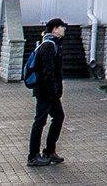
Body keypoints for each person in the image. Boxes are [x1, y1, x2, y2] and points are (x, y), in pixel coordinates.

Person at [26, 16, 66, 168]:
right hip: (45, 91)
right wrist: (53, 90)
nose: (64, 30)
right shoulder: (49, 46)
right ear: (55, 29)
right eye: (62, 27)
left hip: (49, 91)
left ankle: (49, 151)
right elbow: (48, 71)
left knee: (59, 116)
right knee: (40, 121)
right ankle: (33, 156)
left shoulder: (53, 44)